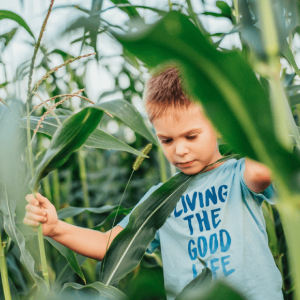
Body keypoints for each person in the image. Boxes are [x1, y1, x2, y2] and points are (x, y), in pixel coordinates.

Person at [24, 67, 283, 300]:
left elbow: (261, 173)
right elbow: (111, 244)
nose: (179, 150)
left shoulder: (237, 174)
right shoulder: (159, 199)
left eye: (191, 136)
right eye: (167, 140)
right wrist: (56, 228)